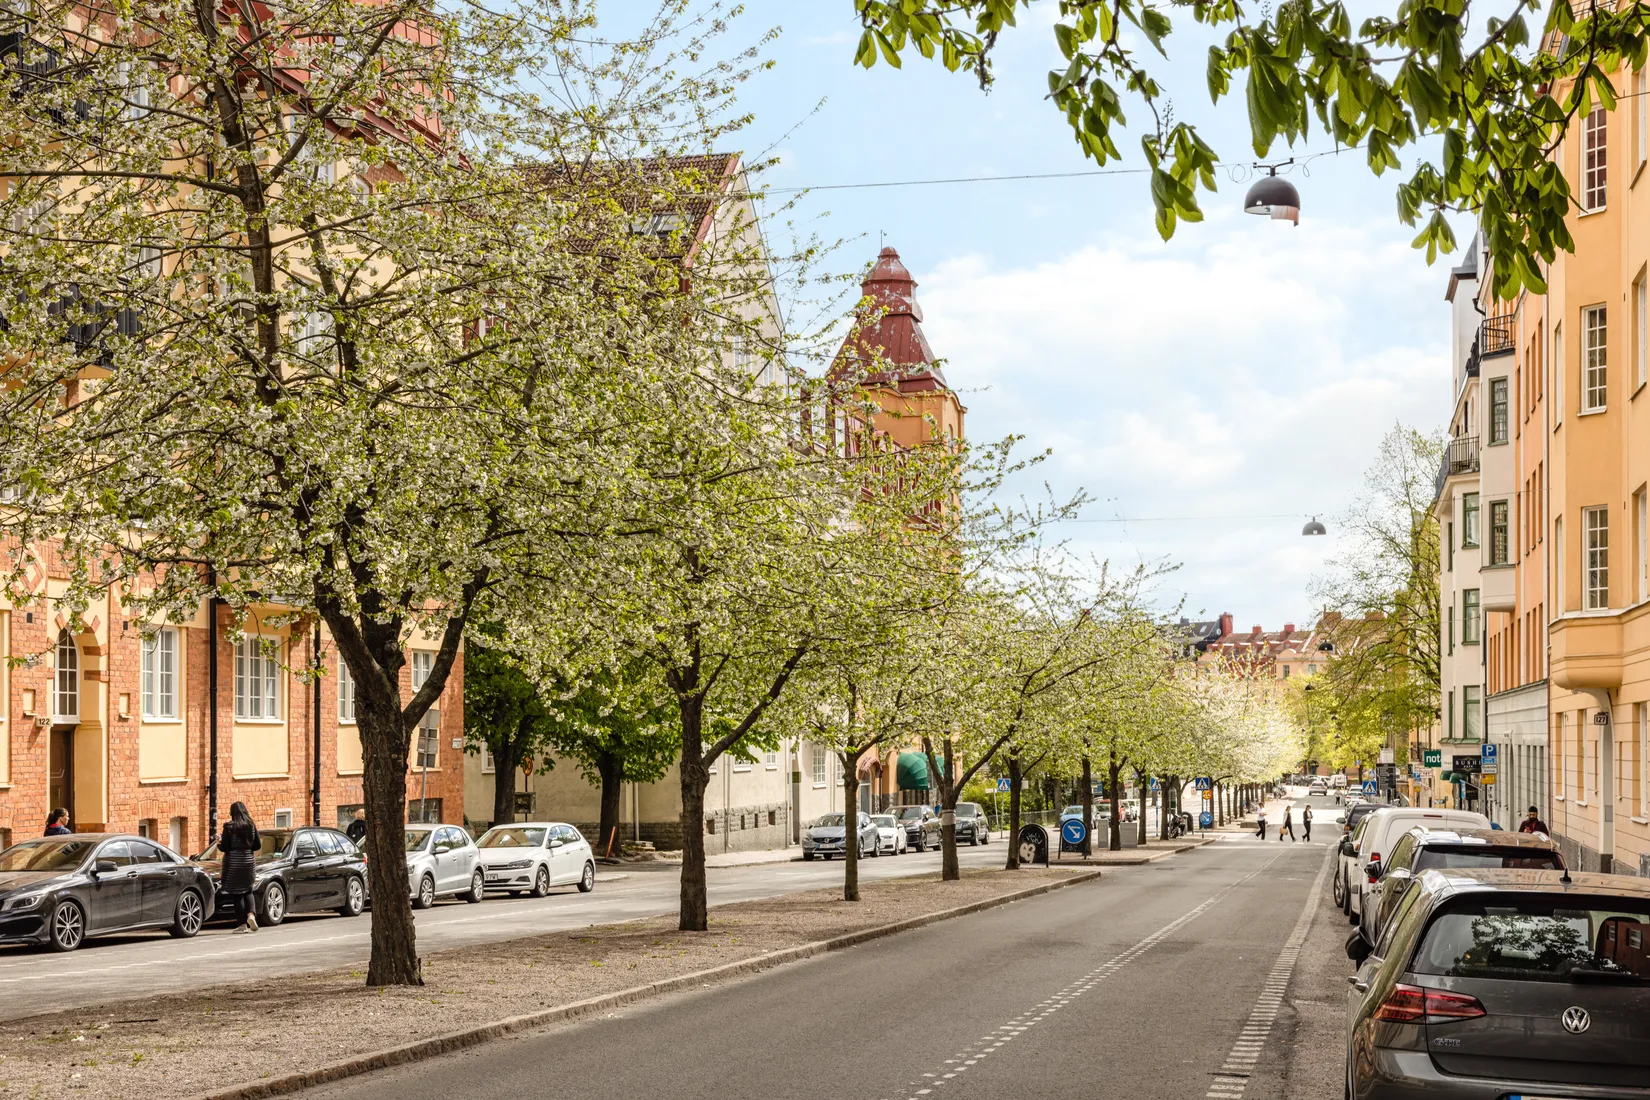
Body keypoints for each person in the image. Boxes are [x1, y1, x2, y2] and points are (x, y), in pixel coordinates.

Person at [219, 801, 261, 933]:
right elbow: (257, 846)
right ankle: (251, 915)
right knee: (248, 890)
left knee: (237, 894)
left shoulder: (229, 827)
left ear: (232, 813)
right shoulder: (251, 826)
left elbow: (225, 847)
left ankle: (242, 925)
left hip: (233, 864)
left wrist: (218, 843)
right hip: (248, 862)